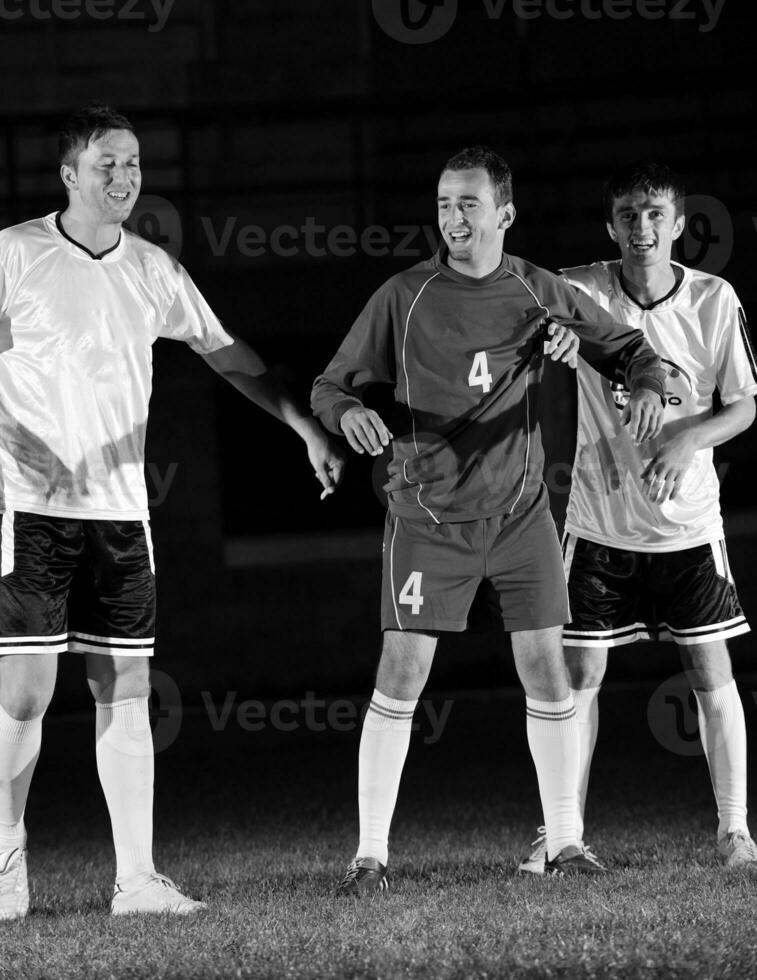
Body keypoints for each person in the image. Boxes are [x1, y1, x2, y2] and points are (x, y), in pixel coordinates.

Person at [0, 104, 344, 920]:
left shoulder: (152, 268)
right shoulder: (15, 254)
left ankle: (136, 880)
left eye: (132, 164)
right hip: (30, 507)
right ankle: (6, 868)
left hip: (121, 516)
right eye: (106, 165)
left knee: (126, 689)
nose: (123, 178)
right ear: (69, 174)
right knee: (24, 696)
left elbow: (225, 354)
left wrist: (302, 425)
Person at [311, 146, 667, 895]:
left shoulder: (539, 291)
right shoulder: (403, 295)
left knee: (547, 666)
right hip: (426, 517)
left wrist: (643, 388)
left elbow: (634, 352)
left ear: (504, 213)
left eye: (468, 204)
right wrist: (349, 415)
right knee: (401, 672)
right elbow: (330, 386)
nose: (452, 219)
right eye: (443, 204)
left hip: (518, 516)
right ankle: (368, 856)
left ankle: (565, 844)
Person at [519, 161, 757, 875]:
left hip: (686, 526)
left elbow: (744, 404)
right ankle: (560, 836)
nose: (641, 228)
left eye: (654, 214)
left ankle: (734, 831)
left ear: (679, 224)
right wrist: (548, 341)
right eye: (627, 215)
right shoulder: (582, 289)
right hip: (599, 523)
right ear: (608, 226)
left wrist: (690, 436)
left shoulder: (714, 299)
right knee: (576, 676)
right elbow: (512, 299)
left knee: (710, 669)